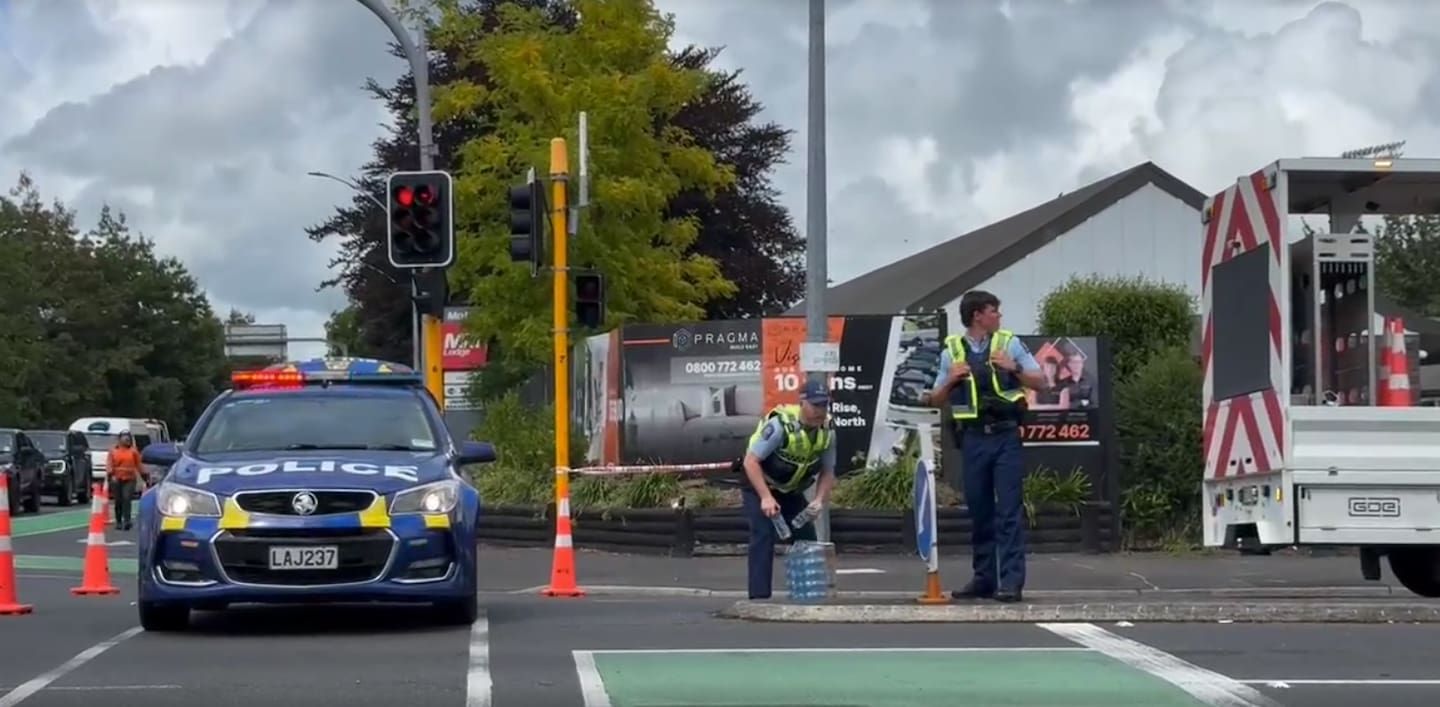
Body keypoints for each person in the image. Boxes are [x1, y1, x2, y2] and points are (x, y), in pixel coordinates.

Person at [929, 290, 1045, 602]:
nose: (999, 316)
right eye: (994, 311)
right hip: (973, 439)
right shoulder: (951, 350)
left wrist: (1013, 368)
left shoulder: (1009, 343)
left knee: (1008, 511)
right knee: (979, 511)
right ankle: (984, 579)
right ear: (978, 315)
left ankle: (1011, 583)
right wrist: (950, 380)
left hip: (1006, 436)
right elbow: (934, 400)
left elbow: (1041, 380)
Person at [738, 380, 838, 600]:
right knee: (763, 533)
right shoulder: (780, 425)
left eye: (824, 405)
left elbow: (828, 471)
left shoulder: (828, 432)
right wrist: (765, 497)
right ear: (802, 402)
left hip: (789, 489)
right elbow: (750, 462)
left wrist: (819, 501)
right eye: (815, 405)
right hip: (759, 484)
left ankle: (808, 594)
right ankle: (759, 598)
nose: (820, 411)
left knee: (806, 537)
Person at [107, 431, 143, 531]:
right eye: (125, 438)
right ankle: (118, 521)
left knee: (127, 498)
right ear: (120, 440)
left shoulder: (133, 451)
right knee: (118, 500)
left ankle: (127, 521)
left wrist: (145, 476)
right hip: (116, 479)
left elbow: (139, 465)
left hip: (130, 479)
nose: (127, 440)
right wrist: (111, 474)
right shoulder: (113, 451)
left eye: (128, 439)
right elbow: (109, 464)